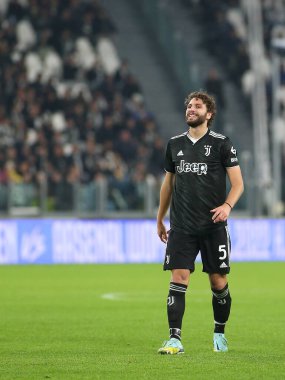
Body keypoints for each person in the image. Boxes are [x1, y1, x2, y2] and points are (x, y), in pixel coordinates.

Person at [157, 91, 244, 354]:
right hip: (182, 226)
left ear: (209, 113)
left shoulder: (221, 144)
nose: (191, 109)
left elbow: (238, 184)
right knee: (179, 277)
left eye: (197, 106)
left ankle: (219, 332)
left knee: (218, 283)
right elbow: (168, 184)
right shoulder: (174, 145)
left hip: (213, 227)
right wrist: (160, 218)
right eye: (189, 106)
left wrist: (227, 206)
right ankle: (175, 339)